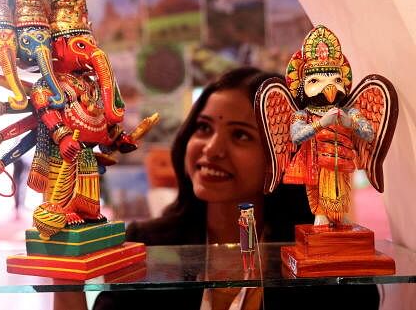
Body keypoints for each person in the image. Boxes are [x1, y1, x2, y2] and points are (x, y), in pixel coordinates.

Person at [54, 67, 379, 310]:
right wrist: (63, 269)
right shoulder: (147, 246)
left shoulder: (319, 263)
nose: (211, 149)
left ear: (280, 154)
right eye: (204, 128)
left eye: (240, 135)